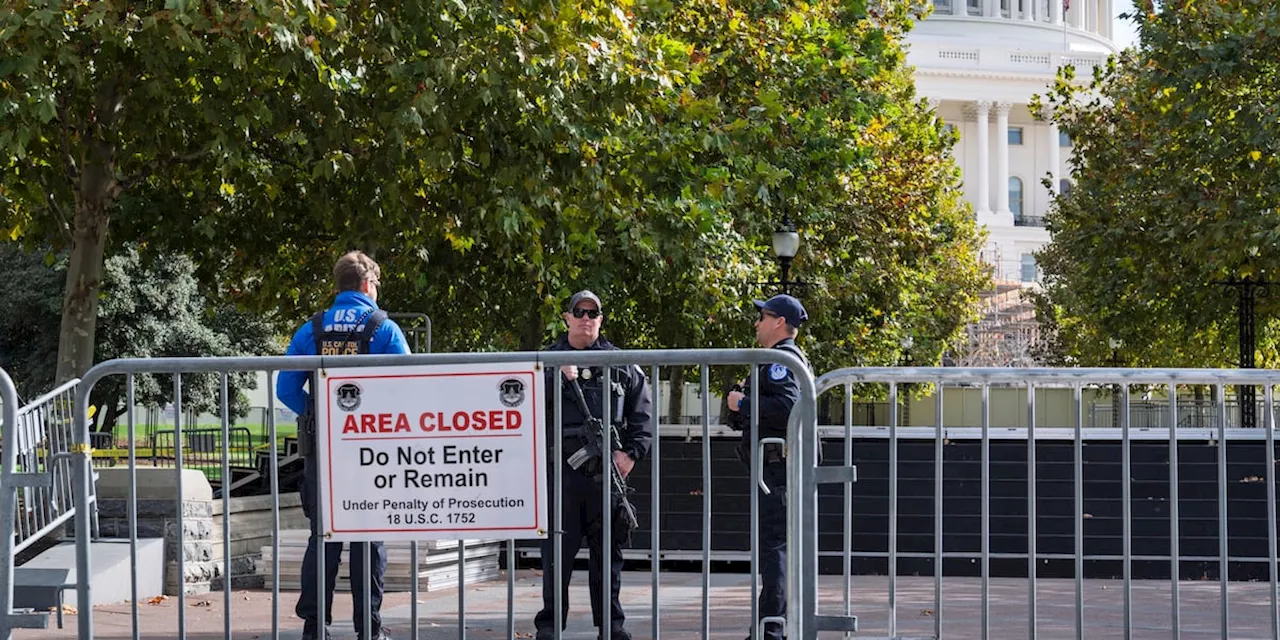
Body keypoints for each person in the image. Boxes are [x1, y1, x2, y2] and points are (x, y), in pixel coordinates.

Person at [278, 250, 410, 640]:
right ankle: (368, 627)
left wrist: (320, 418)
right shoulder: (384, 328)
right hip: (371, 450)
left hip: (325, 449)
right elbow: (407, 385)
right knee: (368, 536)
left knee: (324, 536)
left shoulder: (311, 329)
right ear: (368, 285)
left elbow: (286, 388)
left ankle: (315, 628)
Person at [534, 290, 654, 640]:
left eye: (593, 313)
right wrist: (556, 376)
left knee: (607, 559)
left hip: (606, 475)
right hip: (560, 475)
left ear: (601, 320)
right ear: (567, 318)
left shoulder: (621, 362)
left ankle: (612, 627)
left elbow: (643, 416)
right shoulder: (544, 360)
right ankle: (550, 626)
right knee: (557, 557)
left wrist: (630, 454)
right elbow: (520, 404)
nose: (586, 318)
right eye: (579, 312)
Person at [725, 293, 811, 640]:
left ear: (779, 323)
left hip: (779, 469)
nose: (757, 322)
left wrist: (743, 402)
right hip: (776, 468)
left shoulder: (782, 360)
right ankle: (772, 626)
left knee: (775, 550)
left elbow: (788, 406)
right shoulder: (777, 360)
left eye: (763, 316)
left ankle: (771, 631)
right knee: (777, 549)